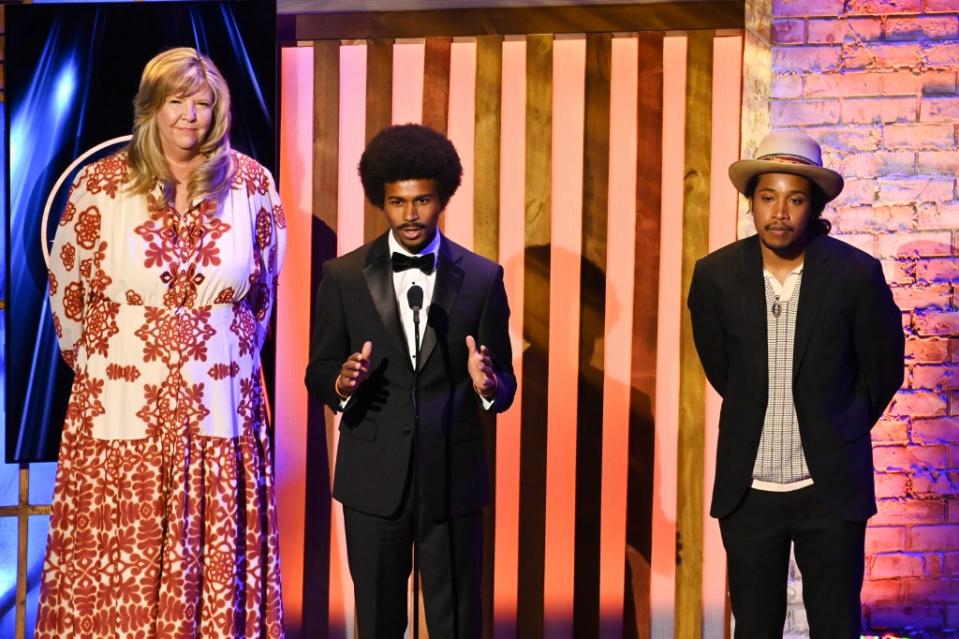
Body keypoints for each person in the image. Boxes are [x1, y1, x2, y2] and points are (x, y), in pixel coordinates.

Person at [38, 47, 285, 637]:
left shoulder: (252, 183)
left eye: (203, 104)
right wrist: (103, 368)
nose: (190, 116)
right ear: (152, 107)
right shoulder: (100, 183)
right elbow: (68, 292)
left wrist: (226, 360)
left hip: (220, 410)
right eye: (177, 101)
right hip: (119, 409)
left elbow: (262, 297)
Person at [687, 129, 904, 638]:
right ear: (751, 203)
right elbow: (723, 370)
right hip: (750, 489)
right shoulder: (715, 276)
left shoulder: (855, 274)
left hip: (829, 489)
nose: (779, 211)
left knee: (834, 625)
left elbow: (883, 369)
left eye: (795, 199)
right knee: (755, 627)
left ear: (815, 206)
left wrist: (841, 426)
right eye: (767, 197)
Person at [305, 123, 516, 639]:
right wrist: (341, 382)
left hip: (453, 479)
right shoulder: (344, 275)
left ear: (441, 197)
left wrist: (487, 385)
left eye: (422, 200)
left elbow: (504, 381)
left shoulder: (483, 278)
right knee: (378, 621)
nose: (411, 214)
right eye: (397, 203)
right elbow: (318, 371)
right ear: (382, 200)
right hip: (372, 481)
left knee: (458, 622)